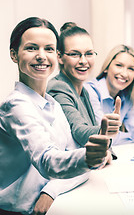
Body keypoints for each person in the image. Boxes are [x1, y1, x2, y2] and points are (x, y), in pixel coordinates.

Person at [0, 17, 111, 215]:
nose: (41, 56)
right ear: (14, 55)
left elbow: (73, 157)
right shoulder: (15, 106)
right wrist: (87, 159)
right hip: (7, 209)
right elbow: (48, 162)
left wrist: (52, 189)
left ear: (56, 55)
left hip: (47, 204)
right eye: (32, 48)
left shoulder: (52, 104)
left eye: (48, 49)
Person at [47, 22, 118, 158]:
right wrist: (105, 129)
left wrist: (107, 151)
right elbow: (79, 132)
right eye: (75, 54)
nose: (84, 61)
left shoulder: (83, 90)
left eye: (89, 54)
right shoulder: (58, 87)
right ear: (59, 57)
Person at [85, 44, 134, 145]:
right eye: (119, 65)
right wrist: (133, 136)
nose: (124, 73)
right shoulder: (90, 91)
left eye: (131, 69)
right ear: (106, 68)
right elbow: (104, 135)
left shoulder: (126, 97)